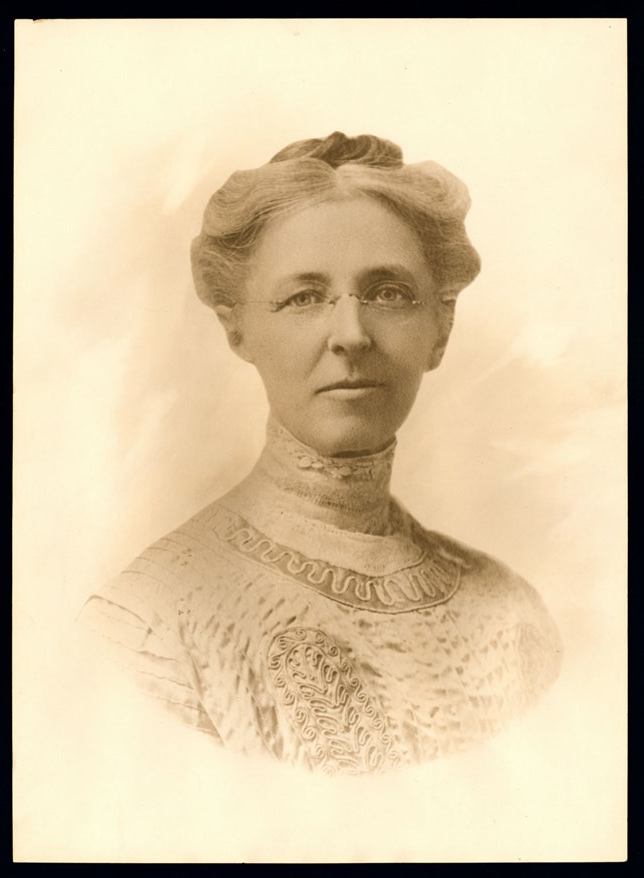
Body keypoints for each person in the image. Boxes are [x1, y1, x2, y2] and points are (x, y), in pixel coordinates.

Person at [80, 131, 563, 776]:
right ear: (238, 328)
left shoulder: (511, 615)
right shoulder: (147, 624)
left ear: (441, 327)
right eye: (304, 297)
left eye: (389, 293)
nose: (351, 335)